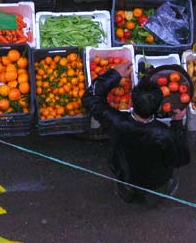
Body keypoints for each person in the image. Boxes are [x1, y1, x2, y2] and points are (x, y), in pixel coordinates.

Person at [81, 61, 190, 204]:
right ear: (159, 108)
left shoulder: (115, 122)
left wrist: (115, 74)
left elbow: (90, 98)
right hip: (156, 180)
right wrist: (177, 124)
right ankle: (152, 202)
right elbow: (181, 159)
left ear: (131, 104)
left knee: (127, 190)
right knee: (155, 196)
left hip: (124, 173)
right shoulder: (165, 135)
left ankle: (127, 196)